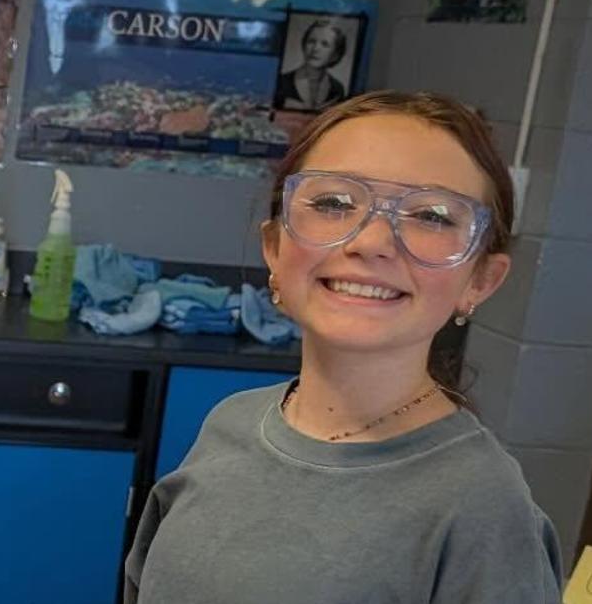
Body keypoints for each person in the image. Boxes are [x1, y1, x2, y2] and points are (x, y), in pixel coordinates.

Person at [123, 91, 565, 602]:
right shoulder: (230, 424)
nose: (371, 241)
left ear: (481, 281)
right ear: (275, 247)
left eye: (433, 216)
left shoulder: (483, 508)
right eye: (333, 203)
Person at [273, 20, 350, 112]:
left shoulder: (337, 89)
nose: (315, 49)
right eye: (311, 41)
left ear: (335, 55)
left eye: (324, 44)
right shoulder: (282, 81)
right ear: (304, 45)